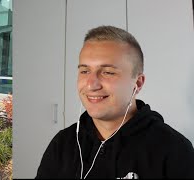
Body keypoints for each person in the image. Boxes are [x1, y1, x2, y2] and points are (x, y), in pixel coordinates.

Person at [36, 25, 194, 179]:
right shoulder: (63, 144)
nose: (91, 84)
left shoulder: (174, 150)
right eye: (84, 71)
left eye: (108, 72)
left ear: (137, 83)